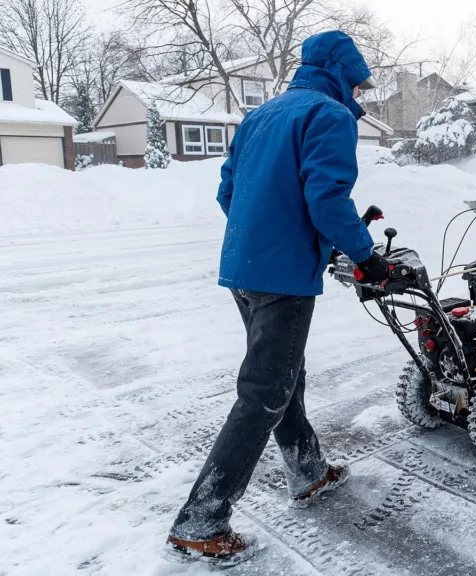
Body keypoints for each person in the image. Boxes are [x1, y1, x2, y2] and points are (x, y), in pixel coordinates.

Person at [164, 30, 392, 566]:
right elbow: (326, 198)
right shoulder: (329, 117)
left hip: (243, 268)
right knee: (264, 393)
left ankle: (308, 470)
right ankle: (202, 521)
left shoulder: (261, 115)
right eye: (356, 83)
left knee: (284, 375)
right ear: (340, 73)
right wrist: (367, 258)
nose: (358, 95)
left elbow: (228, 190)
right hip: (282, 278)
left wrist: (267, 236)